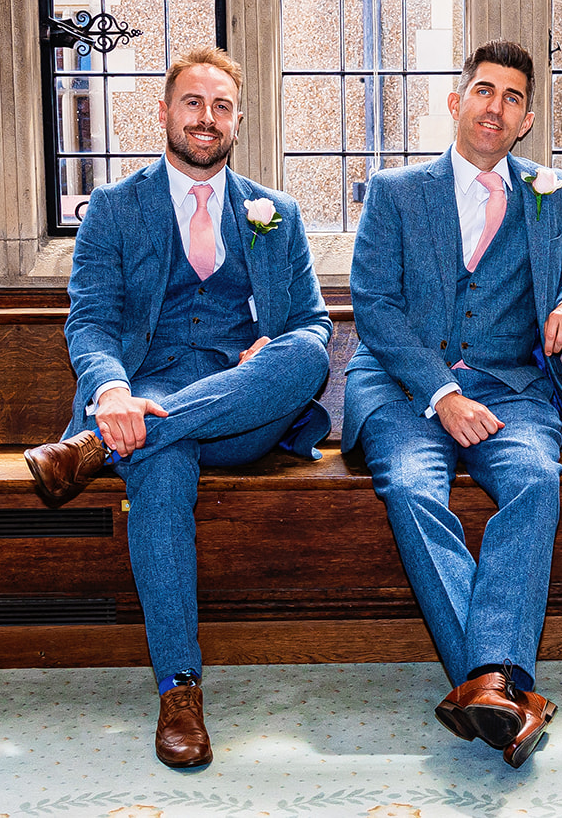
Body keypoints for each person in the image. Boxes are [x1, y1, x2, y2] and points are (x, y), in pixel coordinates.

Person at [23, 46, 333, 769]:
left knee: (311, 354)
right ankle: (179, 690)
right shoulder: (114, 206)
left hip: (239, 408)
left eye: (221, 106)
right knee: (160, 464)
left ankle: (97, 446)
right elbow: (92, 320)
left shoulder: (275, 213)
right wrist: (111, 392)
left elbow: (314, 324)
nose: (206, 117)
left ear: (238, 121)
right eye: (193, 102)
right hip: (136, 394)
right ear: (164, 113)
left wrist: (270, 345)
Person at [343, 40, 562, 767]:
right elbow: (377, 309)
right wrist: (443, 392)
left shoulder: (552, 193)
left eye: (514, 98)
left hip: (512, 387)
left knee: (533, 482)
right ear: (458, 102)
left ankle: (486, 682)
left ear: (525, 121)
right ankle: (503, 680)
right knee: (415, 489)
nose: (497, 106)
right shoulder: (395, 191)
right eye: (484, 90)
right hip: (403, 388)